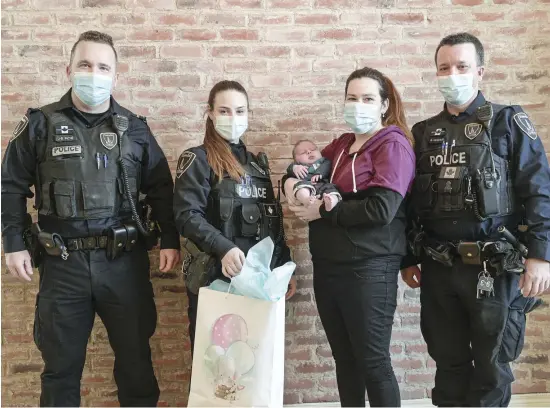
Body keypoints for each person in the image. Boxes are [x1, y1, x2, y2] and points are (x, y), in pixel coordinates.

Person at [1, 31, 181, 407]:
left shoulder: (134, 128)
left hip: (124, 263)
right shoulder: (40, 124)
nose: (93, 73)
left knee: (136, 365)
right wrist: (14, 243)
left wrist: (170, 239)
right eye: (85, 64)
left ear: (115, 75)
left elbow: (161, 188)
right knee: (60, 370)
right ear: (69, 69)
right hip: (62, 265)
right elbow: (10, 185)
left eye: (103, 67)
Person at [400, 32, 550, 407]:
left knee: (492, 365)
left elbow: (538, 190)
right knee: (447, 362)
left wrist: (541, 255)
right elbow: (409, 203)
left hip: (495, 267)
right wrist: (407, 257)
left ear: (479, 72)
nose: (453, 74)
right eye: (444, 67)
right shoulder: (422, 133)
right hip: (439, 267)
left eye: (462, 67)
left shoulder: (508, 121)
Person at [285, 67, 416, 407]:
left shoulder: (393, 144)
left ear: (384, 105)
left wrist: (323, 212)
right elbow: (304, 172)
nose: (358, 104)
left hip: (369, 269)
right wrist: (293, 187)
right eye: (352, 98)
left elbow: (381, 210)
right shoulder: (341, 145)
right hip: (329, 267)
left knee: (373, 363)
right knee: (345, 361)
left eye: (368, 98)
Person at [173, 80, 297, 351]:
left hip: (259, 282)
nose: (233, 118)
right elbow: (186, 216)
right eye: (225, 111)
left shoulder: (257, 164)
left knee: (255, 365)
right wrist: (224, 248)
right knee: (214, 368)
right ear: (210, 113)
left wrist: (283, 267)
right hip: (216, 279)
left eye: (240, 111)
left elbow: (272, 223)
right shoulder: (198, 159)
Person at [285, 139, 341, 209]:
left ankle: (331, 202)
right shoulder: (298, 166)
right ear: (296, 160)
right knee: (300, 187)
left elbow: (327, 165)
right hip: (307, 185)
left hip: (323, 185)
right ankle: (306, 200)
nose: (309, 152)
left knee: (332, 190)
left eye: (312, 149)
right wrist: (294, 168)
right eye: (302, 152)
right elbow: (289, 171)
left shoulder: (323, 161)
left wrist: (319, 173)